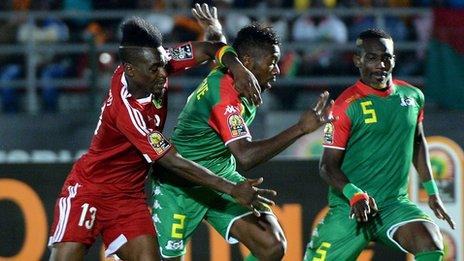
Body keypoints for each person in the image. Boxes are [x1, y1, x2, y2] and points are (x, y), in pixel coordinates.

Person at [48, 15, 275, 261]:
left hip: (128, 196)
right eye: (154, 69)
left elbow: (210, 48)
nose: (162, 73)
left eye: (162, 63)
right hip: (90, 190)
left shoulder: (157, 62)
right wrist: (231, 189)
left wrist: (237, 67)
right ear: (131, 71)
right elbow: (172, 161)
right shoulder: (128, 111)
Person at [151, 22, 334, 260]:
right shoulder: (224, 96)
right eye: (272, 62)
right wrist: (300, 128)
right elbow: (245, 156)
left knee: (272, 245)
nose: (277, 70)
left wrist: (216, 33)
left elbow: (222, 55)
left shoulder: (239, 76)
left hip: (220, 174)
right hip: (180, 183)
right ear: (247, 63)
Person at [304, 29, 455, 261]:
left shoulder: (413, 96)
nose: (381, 65)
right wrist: (355, 195)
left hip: (393, 205)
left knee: (430, 242)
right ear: (358, 60)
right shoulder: (345, 105)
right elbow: (327, 166)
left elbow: (417, 142)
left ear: (394, 59)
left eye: (386, 57)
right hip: (350, 208)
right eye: (372, 58)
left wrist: (432, 192)